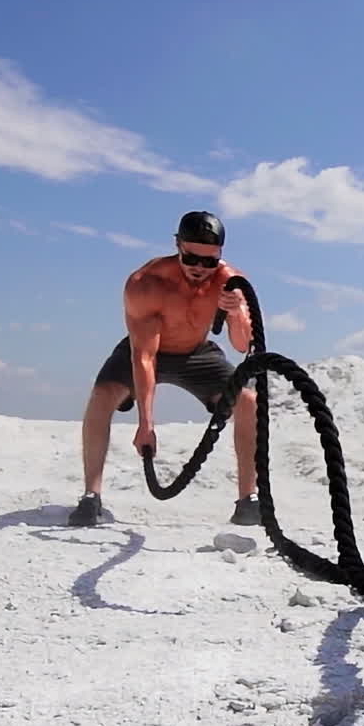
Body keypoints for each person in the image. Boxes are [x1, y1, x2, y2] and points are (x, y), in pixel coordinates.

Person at [68, 211, 261, 527]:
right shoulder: (147, 284)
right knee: (102, 397)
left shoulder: (230, 282)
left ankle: (247, 500)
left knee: (248, 401)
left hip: (196, 353)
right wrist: (146, 423)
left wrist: (237, 311)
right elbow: (144, 356)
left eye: (209, 261)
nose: (200, 268)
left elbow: (242, 346)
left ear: (220, 256)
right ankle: (91, 496)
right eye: (192, 258)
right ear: (178, 246)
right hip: (144, 350)